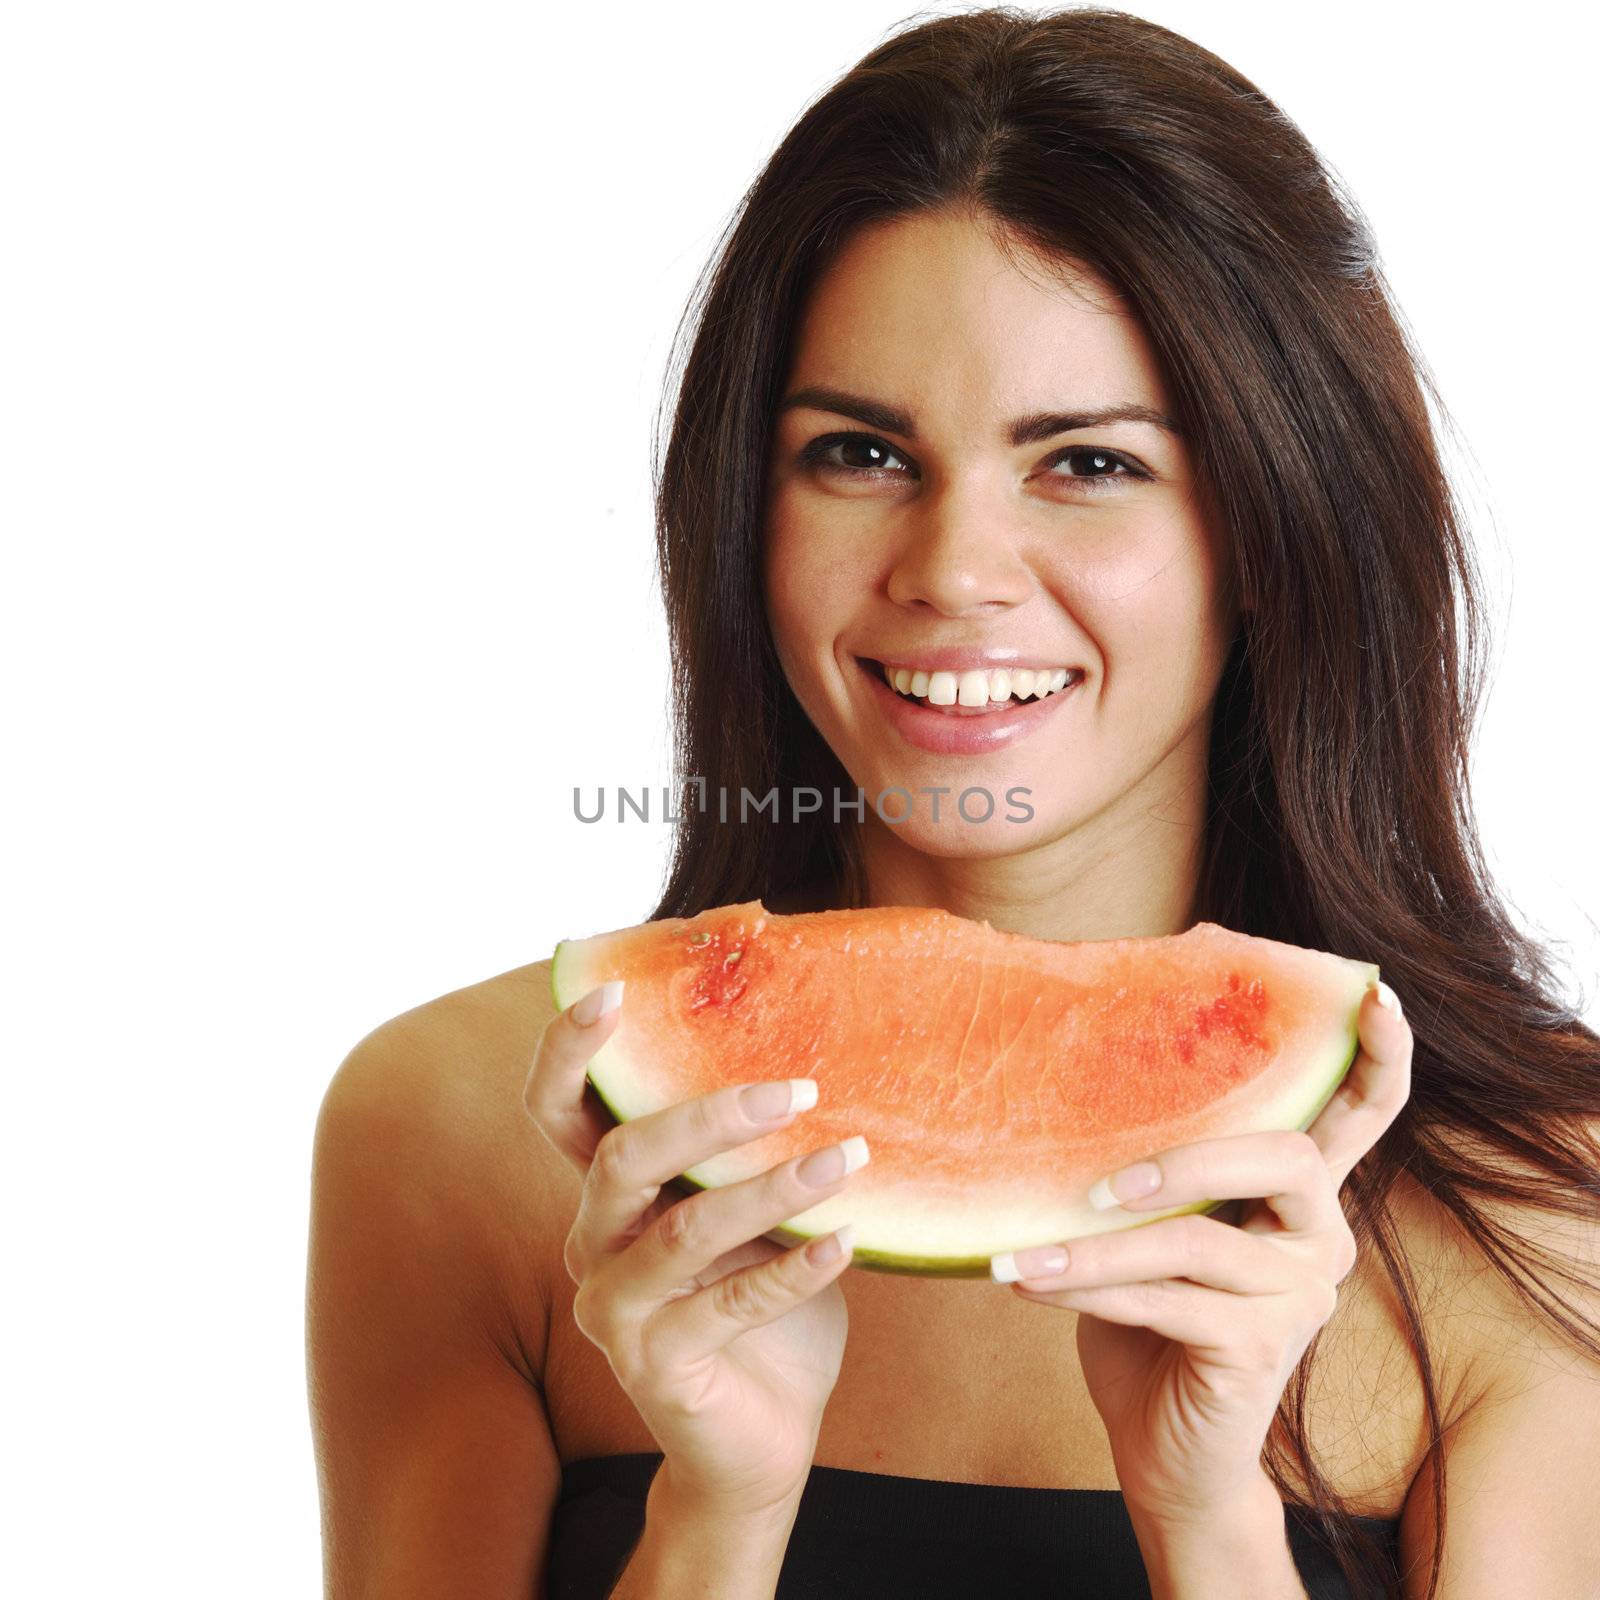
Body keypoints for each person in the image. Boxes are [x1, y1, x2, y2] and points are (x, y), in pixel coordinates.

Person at [305, 8, 1600, 1597]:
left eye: (1090, 464)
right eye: (857, 451)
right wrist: (719, 1507)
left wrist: (1208, 1517)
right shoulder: (453, 1143)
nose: (953, 574)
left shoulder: (1546, 1209)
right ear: (743, 514)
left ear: (1273, 524)